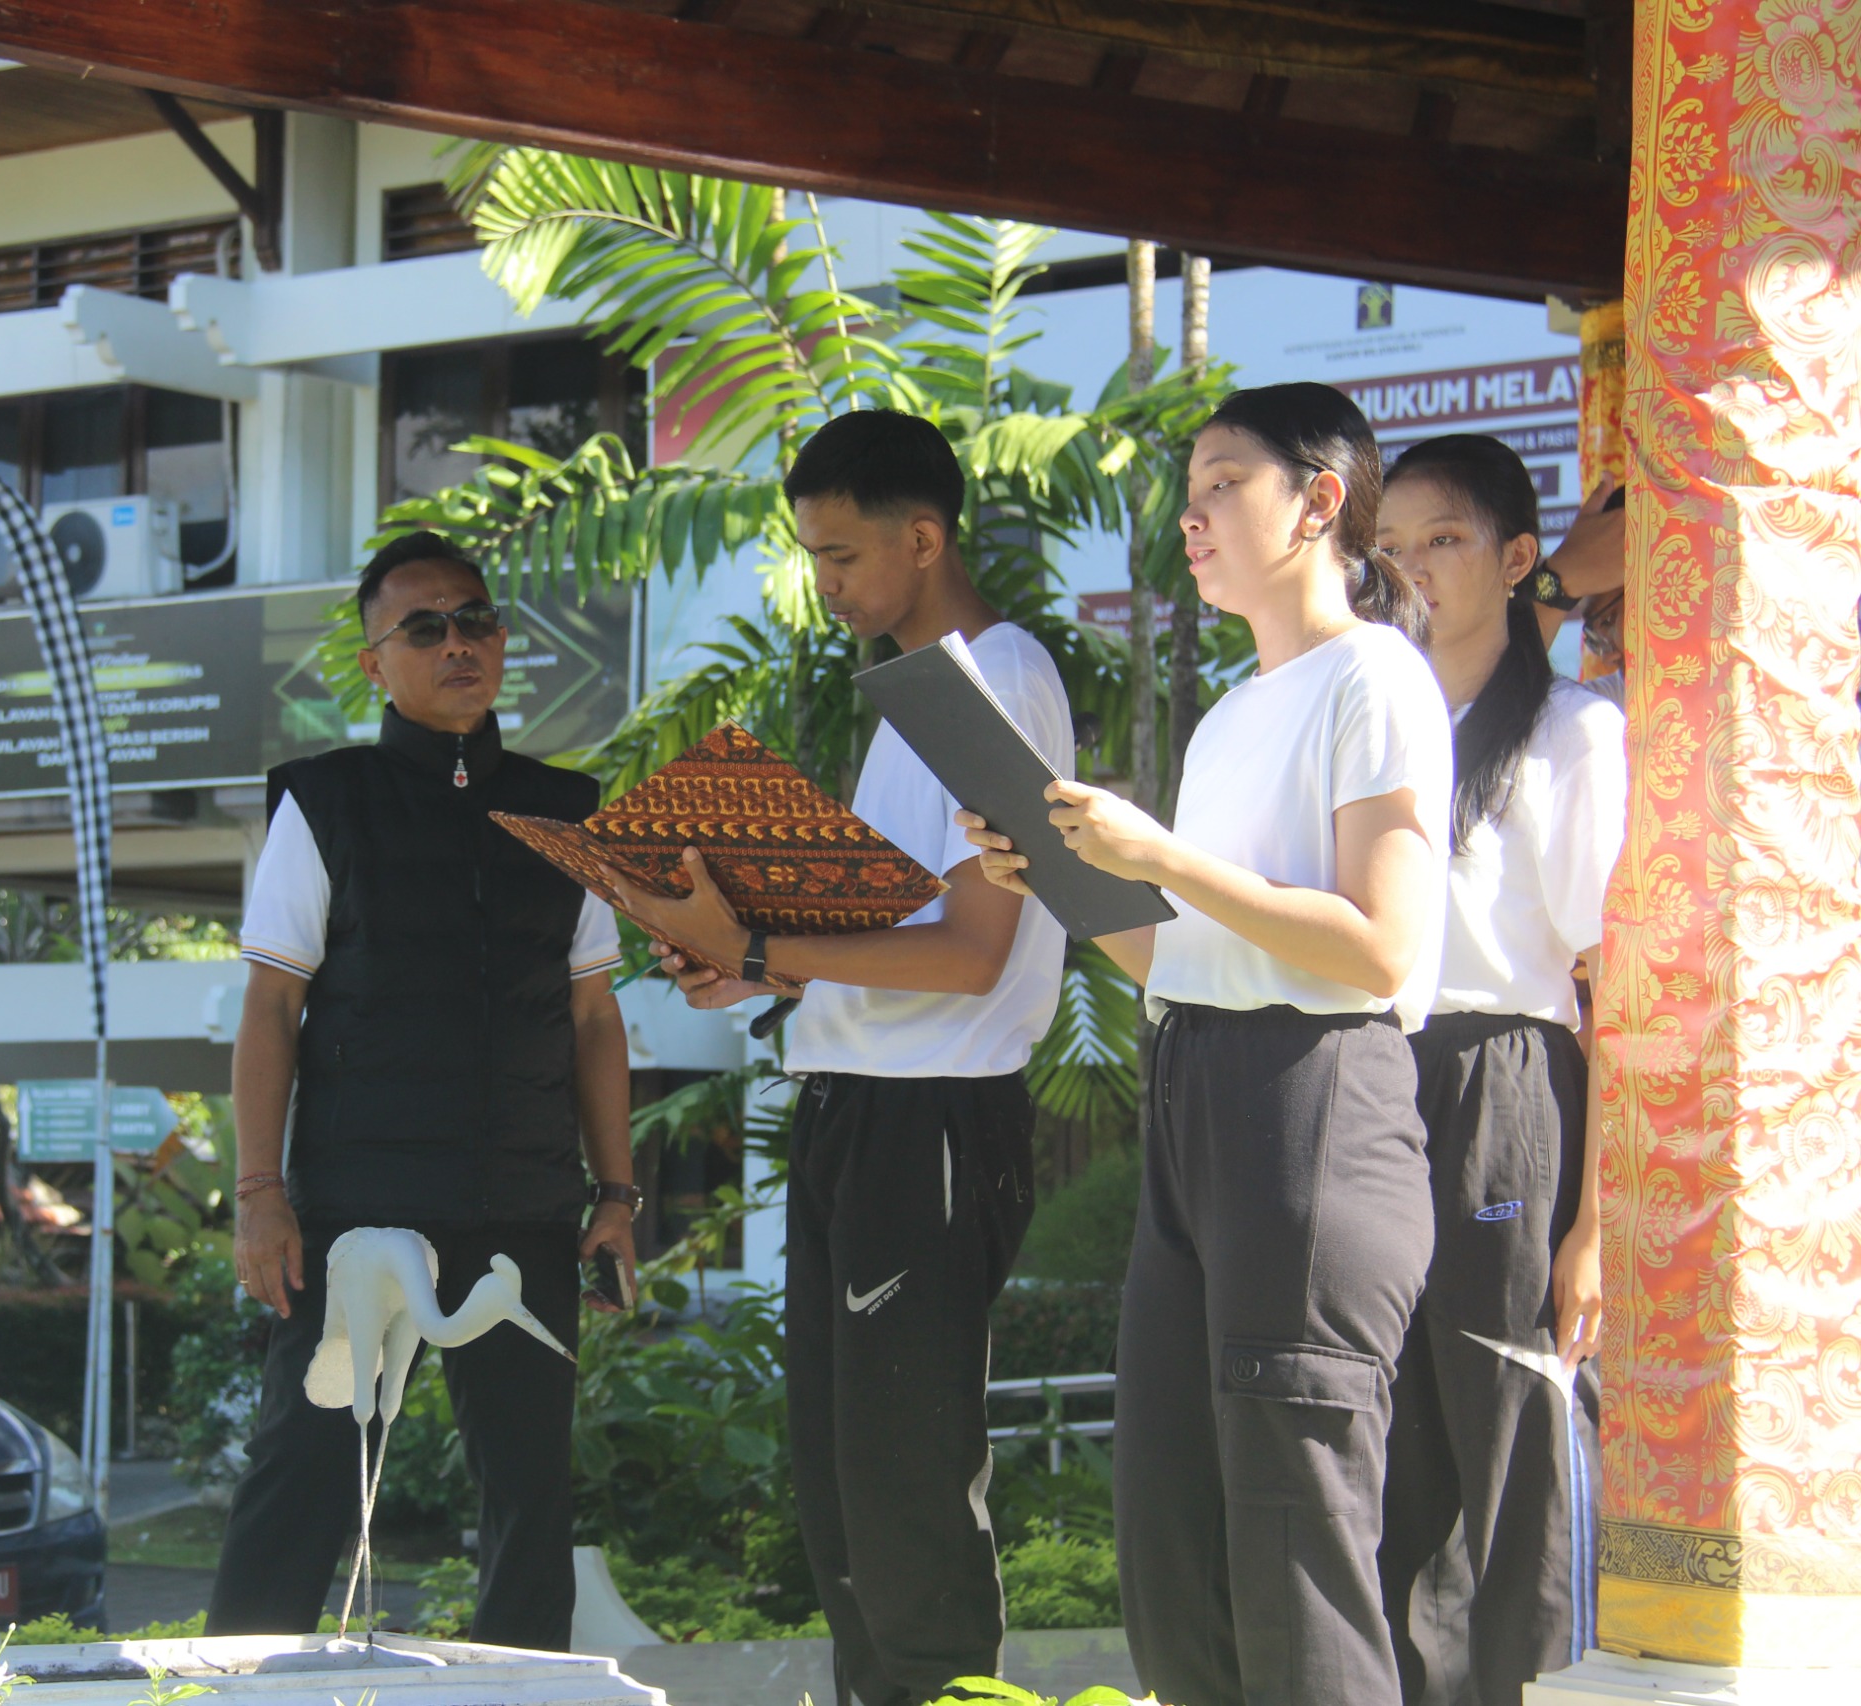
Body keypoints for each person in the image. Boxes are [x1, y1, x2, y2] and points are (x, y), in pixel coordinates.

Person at [961, 382, 1452, 1706]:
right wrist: (1062, 876)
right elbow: (1181, 959)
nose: (1193, 517)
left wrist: (1164, 854)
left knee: (1298, 1554)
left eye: (1225, 482)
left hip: (1313, 1108)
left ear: (1321, 501)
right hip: (1195, 1093)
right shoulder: (1240, 713)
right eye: (1190, 492)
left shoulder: (1378, 677)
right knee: (1174, 1548)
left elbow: (1382, 947)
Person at [619, 409, 1072, 1706]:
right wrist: (750, 957)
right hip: (852, 1114)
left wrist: (763, 943)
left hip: (930, 1128)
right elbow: (881, 928)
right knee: (843, 1495)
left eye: (837, 555)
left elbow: (976, 948)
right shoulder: (912, 697)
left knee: (908, 1490)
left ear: (923, 539)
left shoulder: (1003, 679)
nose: (822, 585)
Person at [208, 531, 638, 1650]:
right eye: (426, 627)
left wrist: (619, 1192)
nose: (460, 644)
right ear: (375, 662)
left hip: (525, 1206)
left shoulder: (565, 808)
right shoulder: (324, 800)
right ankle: (235, 1686)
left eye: (477, 620)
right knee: (301, 1481)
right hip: (357, 1207)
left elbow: (594, 1015)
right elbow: (270, 1006)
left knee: (530, 1502)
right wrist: (260, 1188)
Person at [1371, 435, 1622, 1706]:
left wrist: (1593, 1222)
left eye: (1445, 539)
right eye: (1393, 545)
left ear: (1521, 560)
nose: (1411, 567)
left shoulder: (1574, 733)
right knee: (1393, 1443)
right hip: (1376, 1077)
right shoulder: (1377, 726)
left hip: (1511, 1083)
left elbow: (1612, 989)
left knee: (1515, 1435)